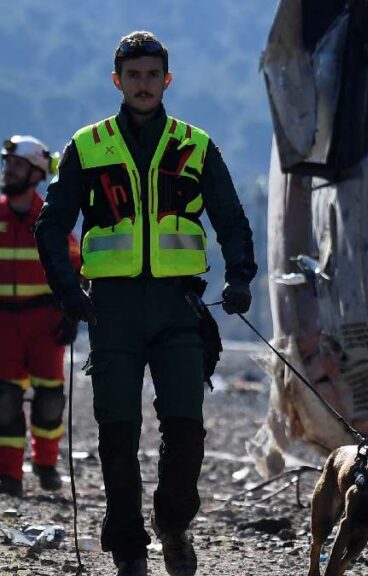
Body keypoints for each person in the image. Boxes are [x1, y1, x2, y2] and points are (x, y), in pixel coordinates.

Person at [35, 31, 256, 576]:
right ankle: (129, 550)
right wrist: (68, 292)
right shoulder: (88, 146)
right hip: (111, 310)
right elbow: (51, 223)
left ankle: (174, 525)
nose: (142, 84)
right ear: (117, 80)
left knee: (186, 429)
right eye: (132, 75)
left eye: (151, 75)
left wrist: (241, 277)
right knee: (118, 433)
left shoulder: (195, 145)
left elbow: (230, 219)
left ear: (166, 80)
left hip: (179, 307)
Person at [0, 135, 80, 497]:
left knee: (49, 399)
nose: (8, 170)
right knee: (5, 401)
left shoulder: (51, 219)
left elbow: (76, 267)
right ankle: (9, 475)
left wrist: (71, 312)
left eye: (16, 164)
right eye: (7, 163)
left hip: (44, 323)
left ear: (35, 173)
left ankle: (46, 464)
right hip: (4, 324)